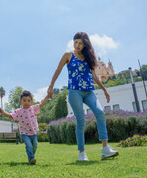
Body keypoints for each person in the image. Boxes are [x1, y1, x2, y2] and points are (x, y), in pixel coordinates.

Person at [47, 32, 119, 161]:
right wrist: (51, 87)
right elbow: (57, 71)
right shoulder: (68, 55)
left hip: (89, 92)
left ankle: (105, 148)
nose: (77, 45)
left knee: (100, 113)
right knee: (81, 121)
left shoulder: (88, 57)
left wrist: (105, 90)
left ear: (85, 44)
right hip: (75, 92)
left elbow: (94, 76)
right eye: (75, 42)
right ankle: (82, 153)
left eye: (80, 43)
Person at [0, 90, 51, 164]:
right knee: (29, 146)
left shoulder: (33, 108)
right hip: (25, 133)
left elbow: (41, 104)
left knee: (35, 146)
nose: (26, 102)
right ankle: (31, 158)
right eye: (24, 100)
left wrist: (47, 97)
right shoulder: (18, 111)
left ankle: (31, 156)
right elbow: (11, 116)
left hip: (34, 132)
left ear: (31, 102)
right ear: (21, 101)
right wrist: (3, 113)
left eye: (28, 100)